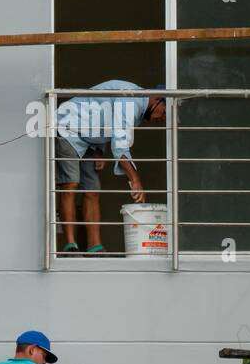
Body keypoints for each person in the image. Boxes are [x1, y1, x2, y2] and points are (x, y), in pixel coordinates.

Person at [54, 80, 166, 254]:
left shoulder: (138, 106)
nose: (164, 119)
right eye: (165, 113)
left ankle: (94, 247)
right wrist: (135, 179)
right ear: (156, 99)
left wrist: (100, 149)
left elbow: (106, 122)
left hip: (88, 139)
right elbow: (120, 145)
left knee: (92, 190)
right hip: (69, 127)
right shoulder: (131, 99)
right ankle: (71, 245)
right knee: (70, 184)